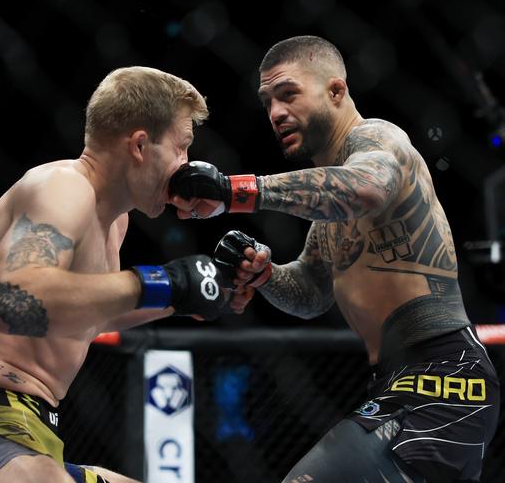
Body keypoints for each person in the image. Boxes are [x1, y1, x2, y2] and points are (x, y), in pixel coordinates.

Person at [0, 66, 251, 483]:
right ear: (141, 145)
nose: (186, 164)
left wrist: (189, 294)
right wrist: (162, 281)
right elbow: (14, 300)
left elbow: (86, 316)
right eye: (181, 147)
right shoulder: (63, 186)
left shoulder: (114, 222)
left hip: (35, 433)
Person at [169, 36, 500, 483]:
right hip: (396, 379)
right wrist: (265, 274)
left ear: (336, 91)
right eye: (267, 102)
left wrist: (235, 191)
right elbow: (311, 295)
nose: (276, 113)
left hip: (442, 376)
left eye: (288, 94)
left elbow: (365, 188)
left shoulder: (380, 139)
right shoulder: (328, 216)